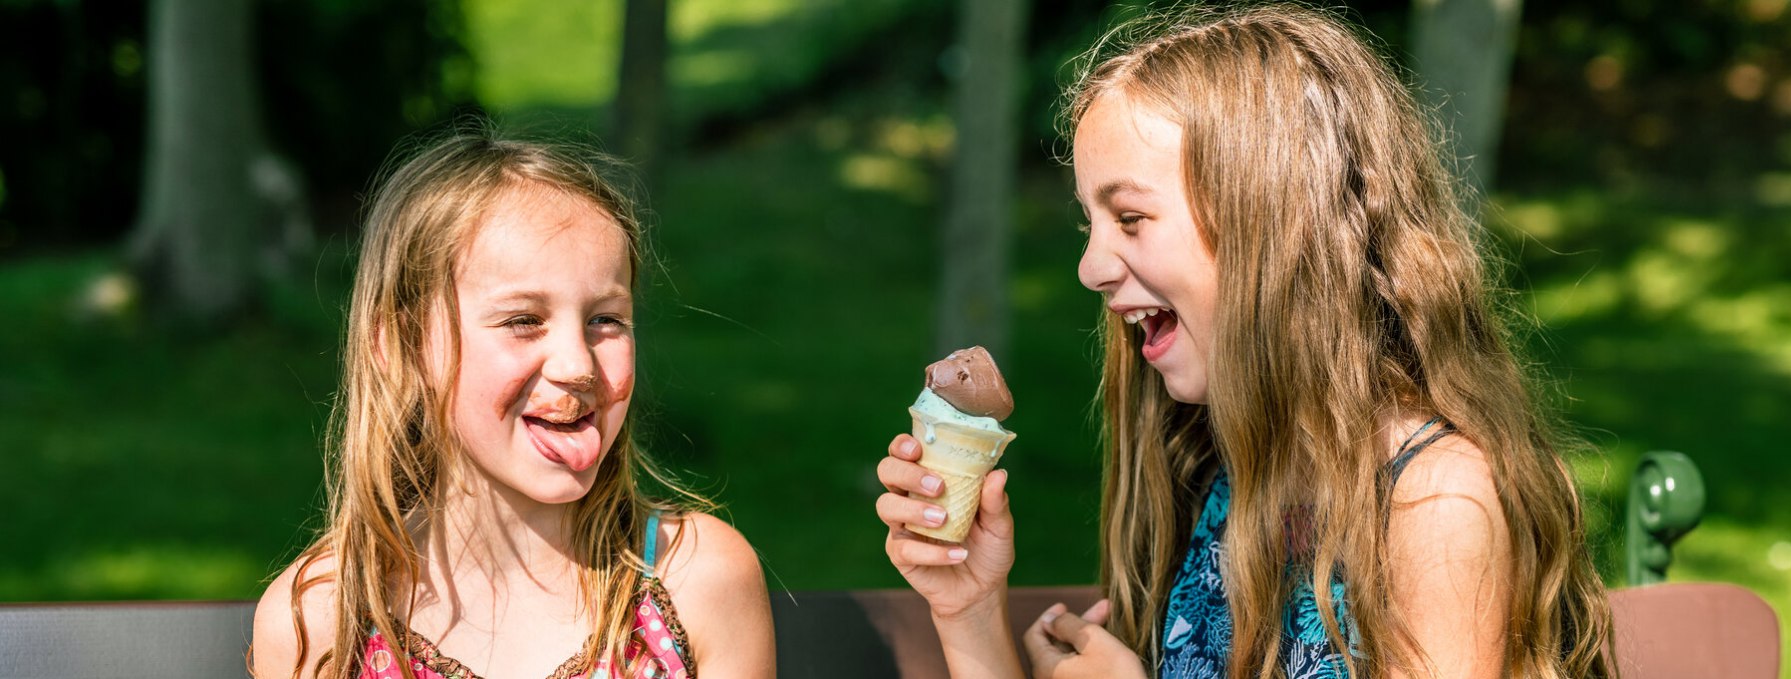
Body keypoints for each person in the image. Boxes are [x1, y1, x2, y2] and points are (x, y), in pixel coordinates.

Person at [875, 5, 1613, 678]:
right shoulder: (1217, 473)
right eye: (1088, 226)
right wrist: (968, 608)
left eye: (1130, 219)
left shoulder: (1435, 505)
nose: (1090, 267)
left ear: (1278, 231)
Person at [252, 132, 775, 679]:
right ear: (402, 347)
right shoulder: (322, 620)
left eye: (606, 320)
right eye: (523, 321)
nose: (577, 365)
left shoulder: (696, 579)